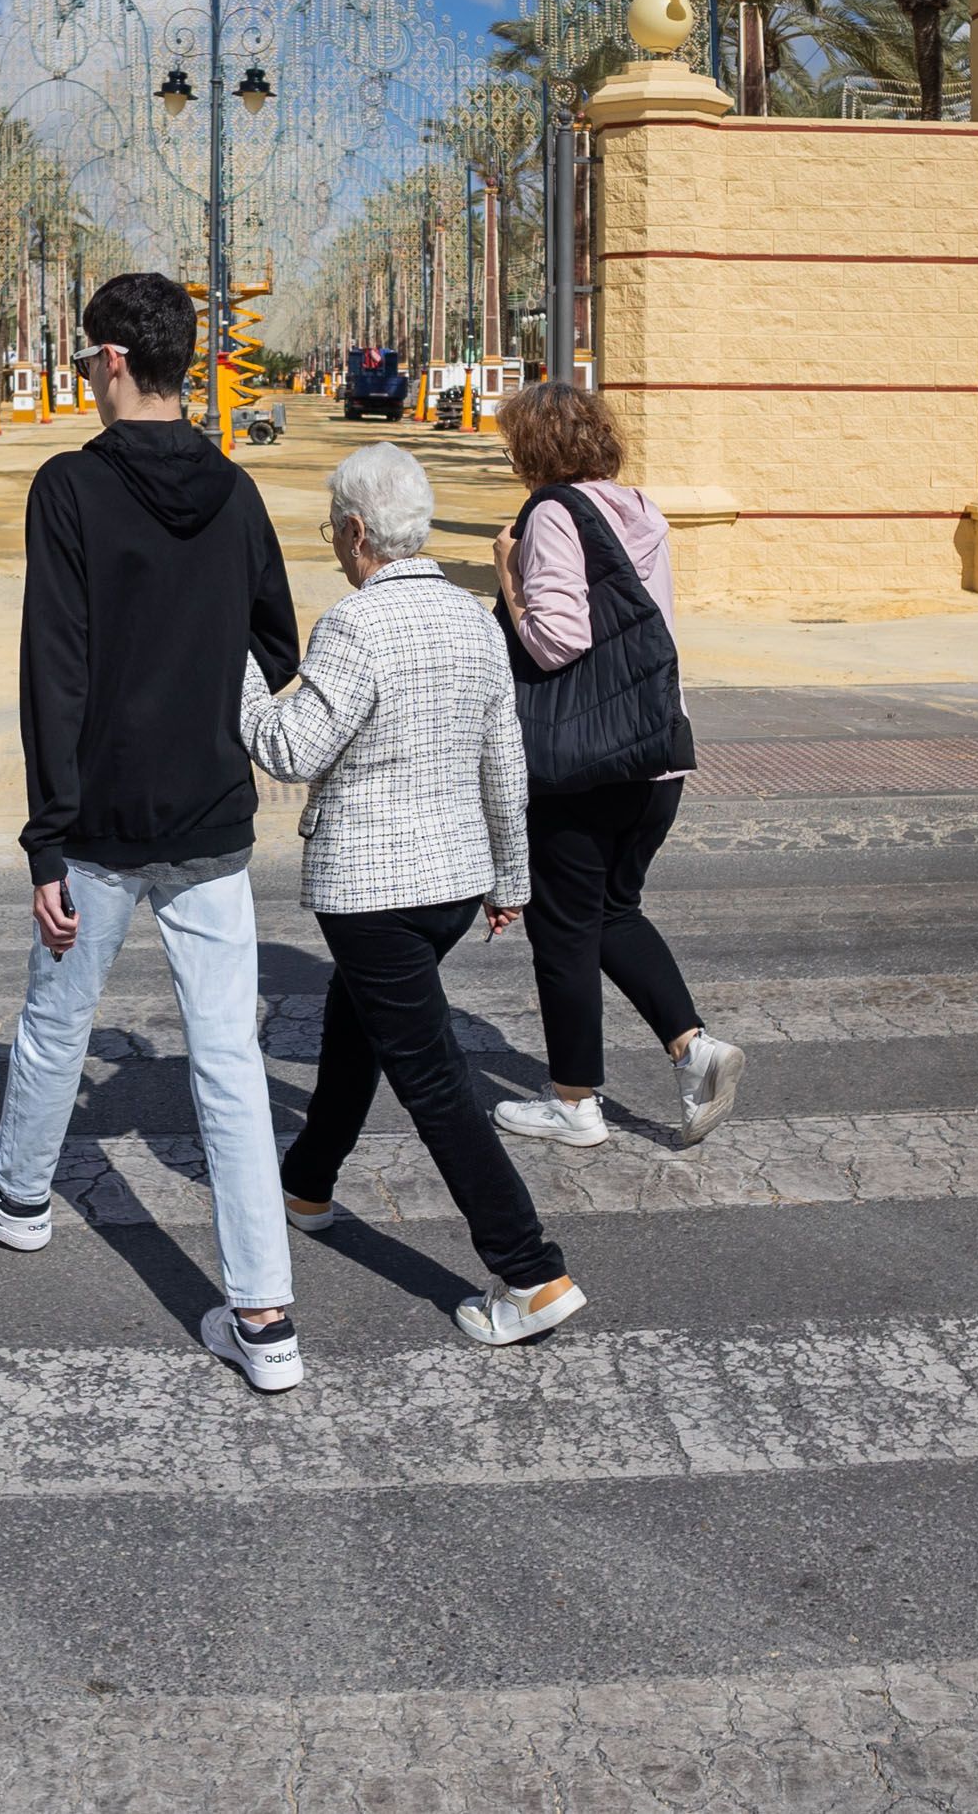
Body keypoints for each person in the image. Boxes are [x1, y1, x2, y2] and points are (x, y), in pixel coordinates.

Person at [0, 273, 309, 1392]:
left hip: (97, 823)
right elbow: (276, 647)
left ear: (109, 362)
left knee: (58, 1022)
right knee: (228, 1060)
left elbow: (56, 667)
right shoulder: (234, 493)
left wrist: (47, 838)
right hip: (210, 820)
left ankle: (19, 1197)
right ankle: (266, 1320)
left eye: (88, 358)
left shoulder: (70, 490)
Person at [245, 445, 583, 1348]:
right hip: (453, 883)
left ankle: (531, 1271)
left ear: (357, 531)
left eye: (332, 530)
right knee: (356, 1026)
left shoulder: (356, 626)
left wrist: (237, 669)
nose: (333, 546)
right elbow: (503, 766)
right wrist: (512, 877)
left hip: (373, 890)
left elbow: (287, 750)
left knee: (431, 1078)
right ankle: (307, 1184)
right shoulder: (475, 621)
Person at [487, 380, 743, 1148]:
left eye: (512, 445)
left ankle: (574, 1102)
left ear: (534, 449)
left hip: (584, 766)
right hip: (654, 757)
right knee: (611, 912)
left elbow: (559, 637)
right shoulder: (640, 508)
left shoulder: (553, 514)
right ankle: (694, 1050)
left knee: (564, 928)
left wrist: (508, 570)